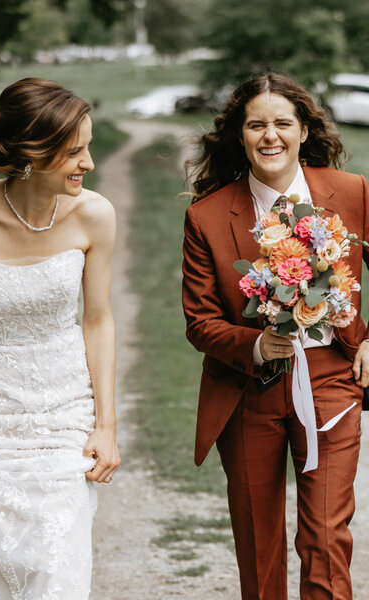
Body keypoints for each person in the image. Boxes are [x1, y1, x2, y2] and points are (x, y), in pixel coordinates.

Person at [182, 72, 369, 599]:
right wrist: (256, 345)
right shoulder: (207, 216)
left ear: (305, 130)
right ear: (240, 134)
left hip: (332, 381)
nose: (271, 135)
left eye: (282, 123)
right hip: (248, 393)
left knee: (326, 536)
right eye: (256, 124)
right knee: (259, 541)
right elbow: (200, 321)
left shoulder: (352, 193)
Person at [0, 78, 120, 599]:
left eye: (89, 147)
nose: (89, 163)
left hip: (62, 420)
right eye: (75, 151)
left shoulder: (94, 215)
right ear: (33, 154)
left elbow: (97, 321)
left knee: (58, 576)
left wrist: (106, 426)